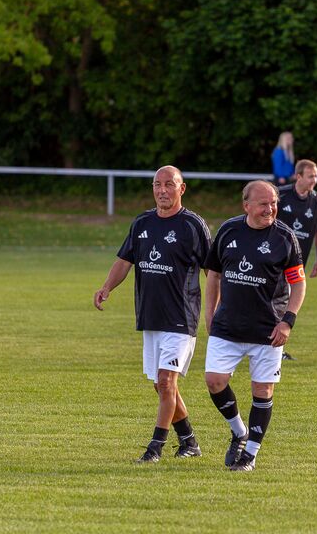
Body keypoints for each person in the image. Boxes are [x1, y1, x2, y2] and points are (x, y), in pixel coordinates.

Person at [93, 166, 212, 463]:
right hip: (150, 315)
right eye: (157, 184)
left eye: (169, 184)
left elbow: (213, 272)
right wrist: (107, 287)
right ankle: (189, 441)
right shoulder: (142, 222)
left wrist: (219, 308)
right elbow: (125, 260)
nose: (162, 190)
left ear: (181, 189)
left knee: (166, 382)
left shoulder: (193, 225)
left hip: (182, 316)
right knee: (160, 385)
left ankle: (154, 448)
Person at [204, 180, 307, 472]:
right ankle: (239, 431)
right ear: (246, 205)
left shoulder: (285, 237)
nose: (270, 209)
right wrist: (209, 315)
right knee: (214, 380)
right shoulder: (228, 230)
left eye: (274, 203)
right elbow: (213, 275)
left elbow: (299, 284)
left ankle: (249, 455)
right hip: (228, 325)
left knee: (262, 390)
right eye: (263, 204)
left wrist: (287, 322)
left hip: (268, 330)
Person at [276, 159, 317, 361]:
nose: (314, 180)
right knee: (273, 302)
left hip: (296, 264)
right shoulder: (280, 195)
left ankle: (276, 348)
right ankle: (269, 346)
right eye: (310, 176)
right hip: (273, 260)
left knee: (285, 304)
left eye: (316, 176)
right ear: (298, 176)